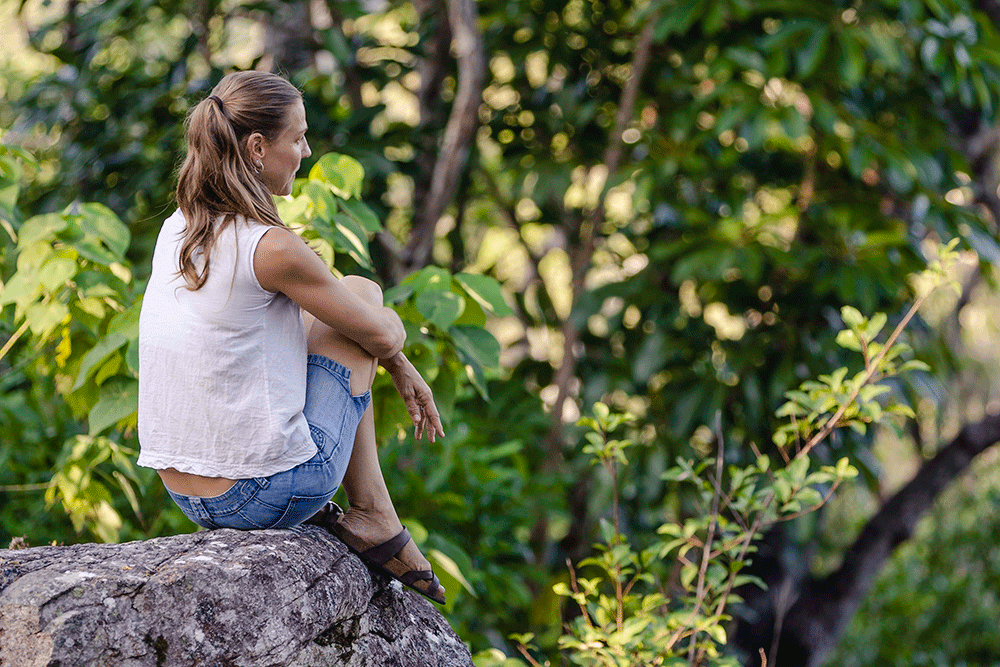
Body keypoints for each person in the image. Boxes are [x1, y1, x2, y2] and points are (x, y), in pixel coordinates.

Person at [137, 70, 446, 604]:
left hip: (185, 491)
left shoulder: (179, 226)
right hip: (258, 495)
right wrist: (397, 356)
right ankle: (374, 514)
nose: (306, 150)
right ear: (257, 147)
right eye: (297, 137)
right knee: (363, 293)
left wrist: (392, 358)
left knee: (340, 309)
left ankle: (377, 515)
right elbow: (377, 330)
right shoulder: (271, 247)